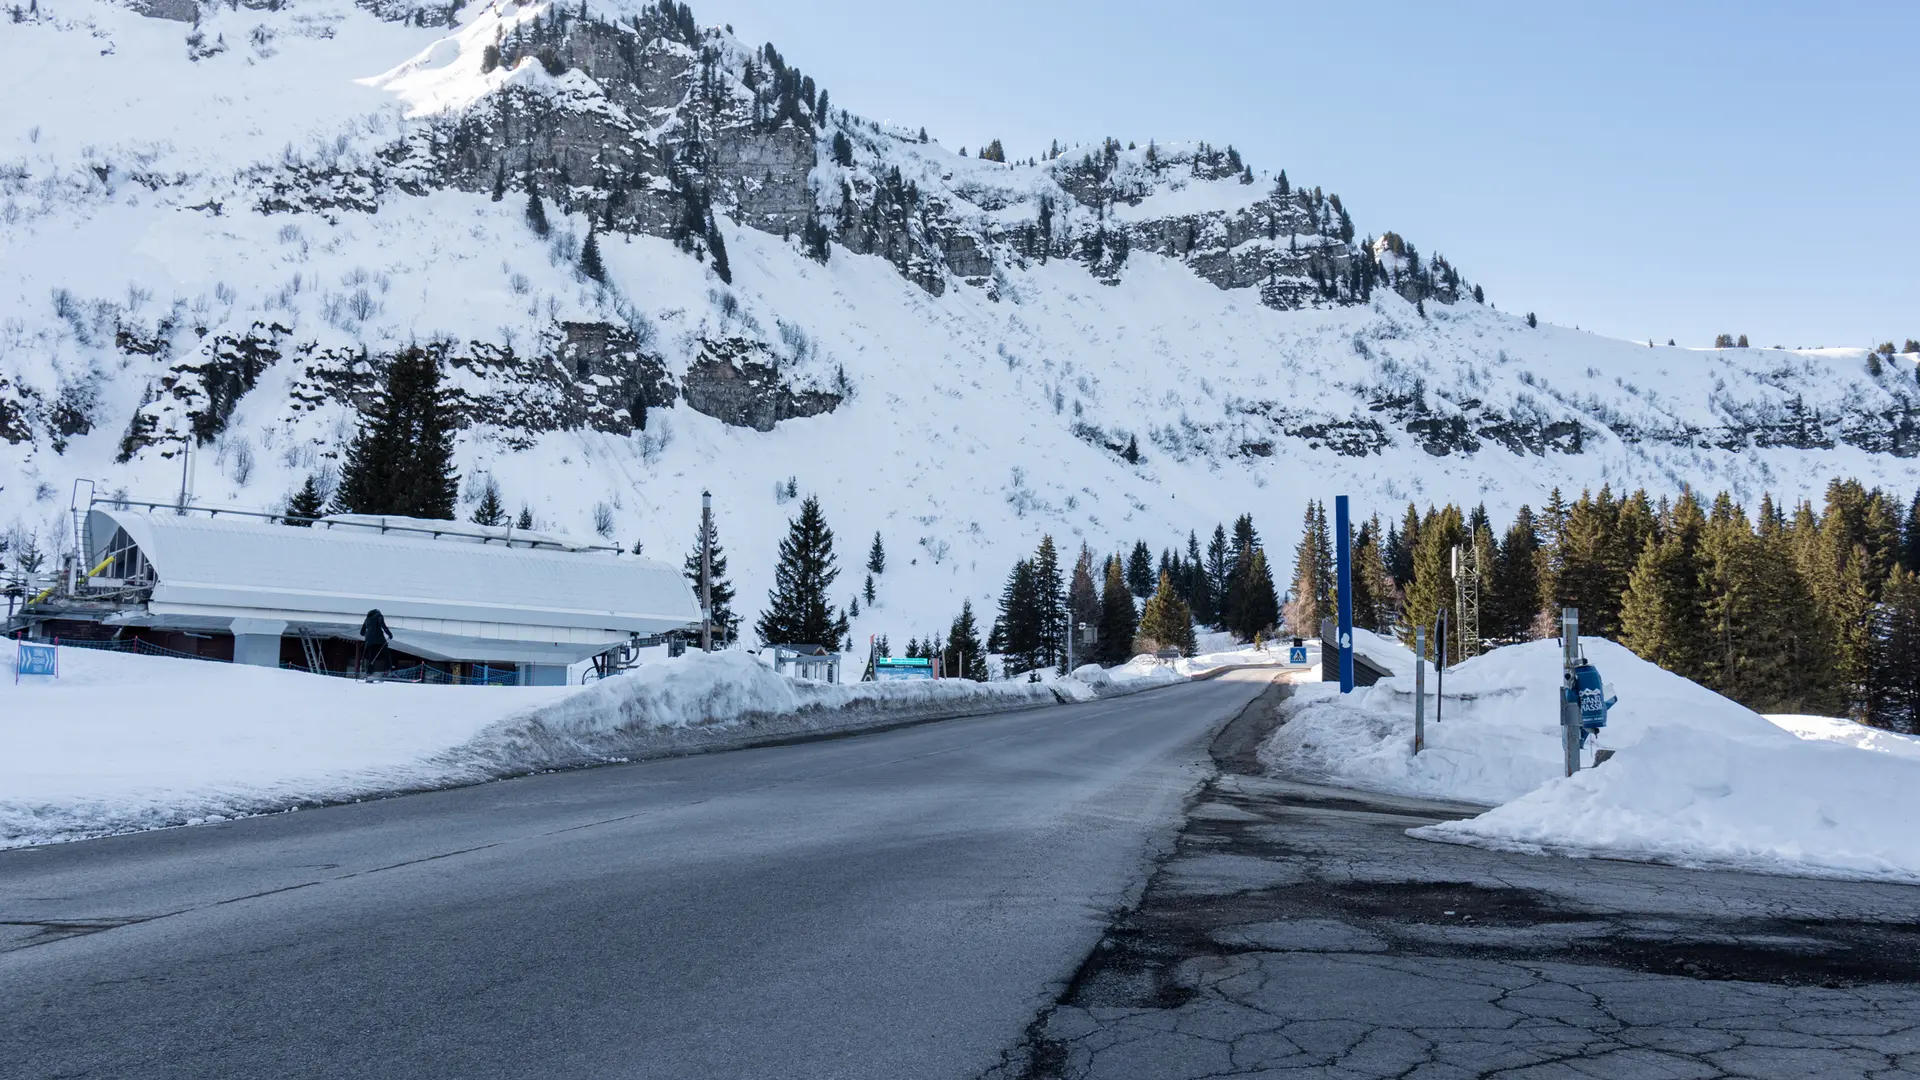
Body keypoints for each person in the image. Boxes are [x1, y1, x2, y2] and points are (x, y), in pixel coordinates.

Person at [360, 609, 392, 678]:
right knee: (386, 653)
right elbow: (383, 625)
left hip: (369, 641)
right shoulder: (379, 616)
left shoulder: (367, 619)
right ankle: (388, 670)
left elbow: (361, 633)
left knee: (371, 657)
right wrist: (389, 634)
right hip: (379, 639)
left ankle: (369, 673)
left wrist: (367, 634)